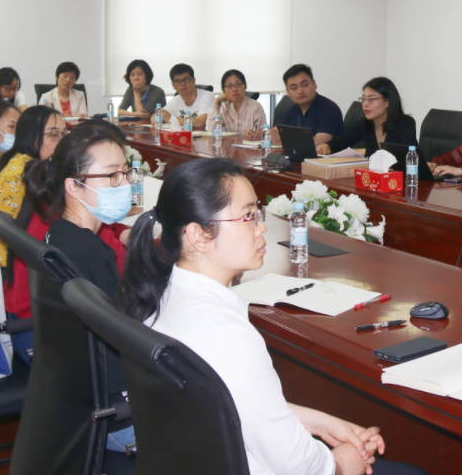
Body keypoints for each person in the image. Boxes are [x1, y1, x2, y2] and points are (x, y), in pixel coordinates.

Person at [119, 157, 425, 475]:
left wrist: (322, 424)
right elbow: (295, 464)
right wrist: (340, 464)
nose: (261, 226)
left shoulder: (162, 297)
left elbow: (238, 405)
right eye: (248, 216)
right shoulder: (230, 337)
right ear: (199, 236)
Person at [25, 120, 135, 448]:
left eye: (126, 172)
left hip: (77, 405)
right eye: (112, 175)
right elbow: (125, 342)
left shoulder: (60, 234)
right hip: (116, 416)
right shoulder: (89, 253)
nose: (124, 183)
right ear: (73, 187)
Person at [0, 106, 64, 365]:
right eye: (53, 135)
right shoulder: (33, 171)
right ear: (33, 137)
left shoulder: (11, 160)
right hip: (3, 274)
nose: (61, 142)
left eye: (63, 134)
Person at [317, 77, 416, 157]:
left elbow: (403, 157)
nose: (365, 104)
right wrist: (327, 146)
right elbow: (339, 143)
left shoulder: (406, 123)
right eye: (363, 99)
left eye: (371, 99)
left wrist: (363, 151)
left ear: (387, 102)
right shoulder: (365, 124)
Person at [273, 64, 344, 147]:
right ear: (288, 92)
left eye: (305, 85)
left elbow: (319, 143)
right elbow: (275, 131)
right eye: (294, 88)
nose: (300, 91)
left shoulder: (329, 109)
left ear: (314, 84)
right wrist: (263, 134)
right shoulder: (293, 109)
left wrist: (281, 140)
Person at [210, 69, 267, 138]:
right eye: (230, 86)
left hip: (248, 144)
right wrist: (216, 101)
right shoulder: (225, 107)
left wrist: (256, 133)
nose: (234, 89)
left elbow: (264, 134)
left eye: (238, 84)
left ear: (245, 86)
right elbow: (210, 130)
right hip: (230, 145)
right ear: (224, 90)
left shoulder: (256, 107)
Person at [163, 64, 214, 130]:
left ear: (194, 81)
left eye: (186, 79)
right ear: (173, 85)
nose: (182, 84)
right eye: (178, 81)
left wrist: (170, 118)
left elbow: (200, 123)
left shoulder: (207, 96)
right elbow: (156, 116)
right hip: (183, 135)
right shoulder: (175, 100)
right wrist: (157, 117)